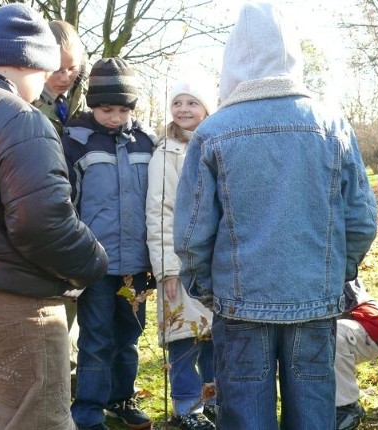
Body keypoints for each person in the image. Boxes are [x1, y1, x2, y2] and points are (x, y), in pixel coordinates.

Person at [173, 2, 378, 429]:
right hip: (314, 299)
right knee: (313, 416)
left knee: (247, 416)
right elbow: (360, 220)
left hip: (241, 304)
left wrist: (208, 291)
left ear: (231, 62)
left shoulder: (213, 132)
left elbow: (192, 234)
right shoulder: (331, 124)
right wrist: (335, 277)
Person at [0, 4, 108, 429]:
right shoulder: (18, 117)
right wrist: (93, 264)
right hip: (15, 302)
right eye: (46, 69)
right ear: (29, 60)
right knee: (35, 421)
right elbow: (42, 223)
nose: (47, 81)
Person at [63, 57, 155, 430]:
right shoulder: (75, 143)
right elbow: (66, 203)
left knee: (129, 336)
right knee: (96, 338)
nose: (115, 117)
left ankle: (122, 398)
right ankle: (88, 409)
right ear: (91, 105)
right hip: (96, 263)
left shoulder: (148, 142)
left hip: (137, 264)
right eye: (106, 109)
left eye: (122, 109)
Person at [146, 78, 217, 430]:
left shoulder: (217, 142)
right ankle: (187, 407)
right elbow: (160, 212)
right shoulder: (166, 152)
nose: (184, 110)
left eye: (193, 103)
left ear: (206, 108)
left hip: (215, 261)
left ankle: (213, 399)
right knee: (184, 336)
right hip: (179, 261)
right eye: (178, 103)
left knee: (214, 336)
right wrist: (168, 269)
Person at [32, 18, 88, 394]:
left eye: (73, 67)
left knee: (71, 313)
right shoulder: (30, 105)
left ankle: (67, 385)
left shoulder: (77, 104)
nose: (65, 75)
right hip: (41, 216)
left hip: (77, 216)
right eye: (57, 67)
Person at [335, 279, 378, 430]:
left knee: (331, 336)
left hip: (365, 322)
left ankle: (347, 408)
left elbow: (341, 302)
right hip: (341, 323)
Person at [33, 20, 88, 135]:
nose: (65, 79)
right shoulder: (23, 99)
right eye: (56, 70)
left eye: (72, 69)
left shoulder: (85, 95)